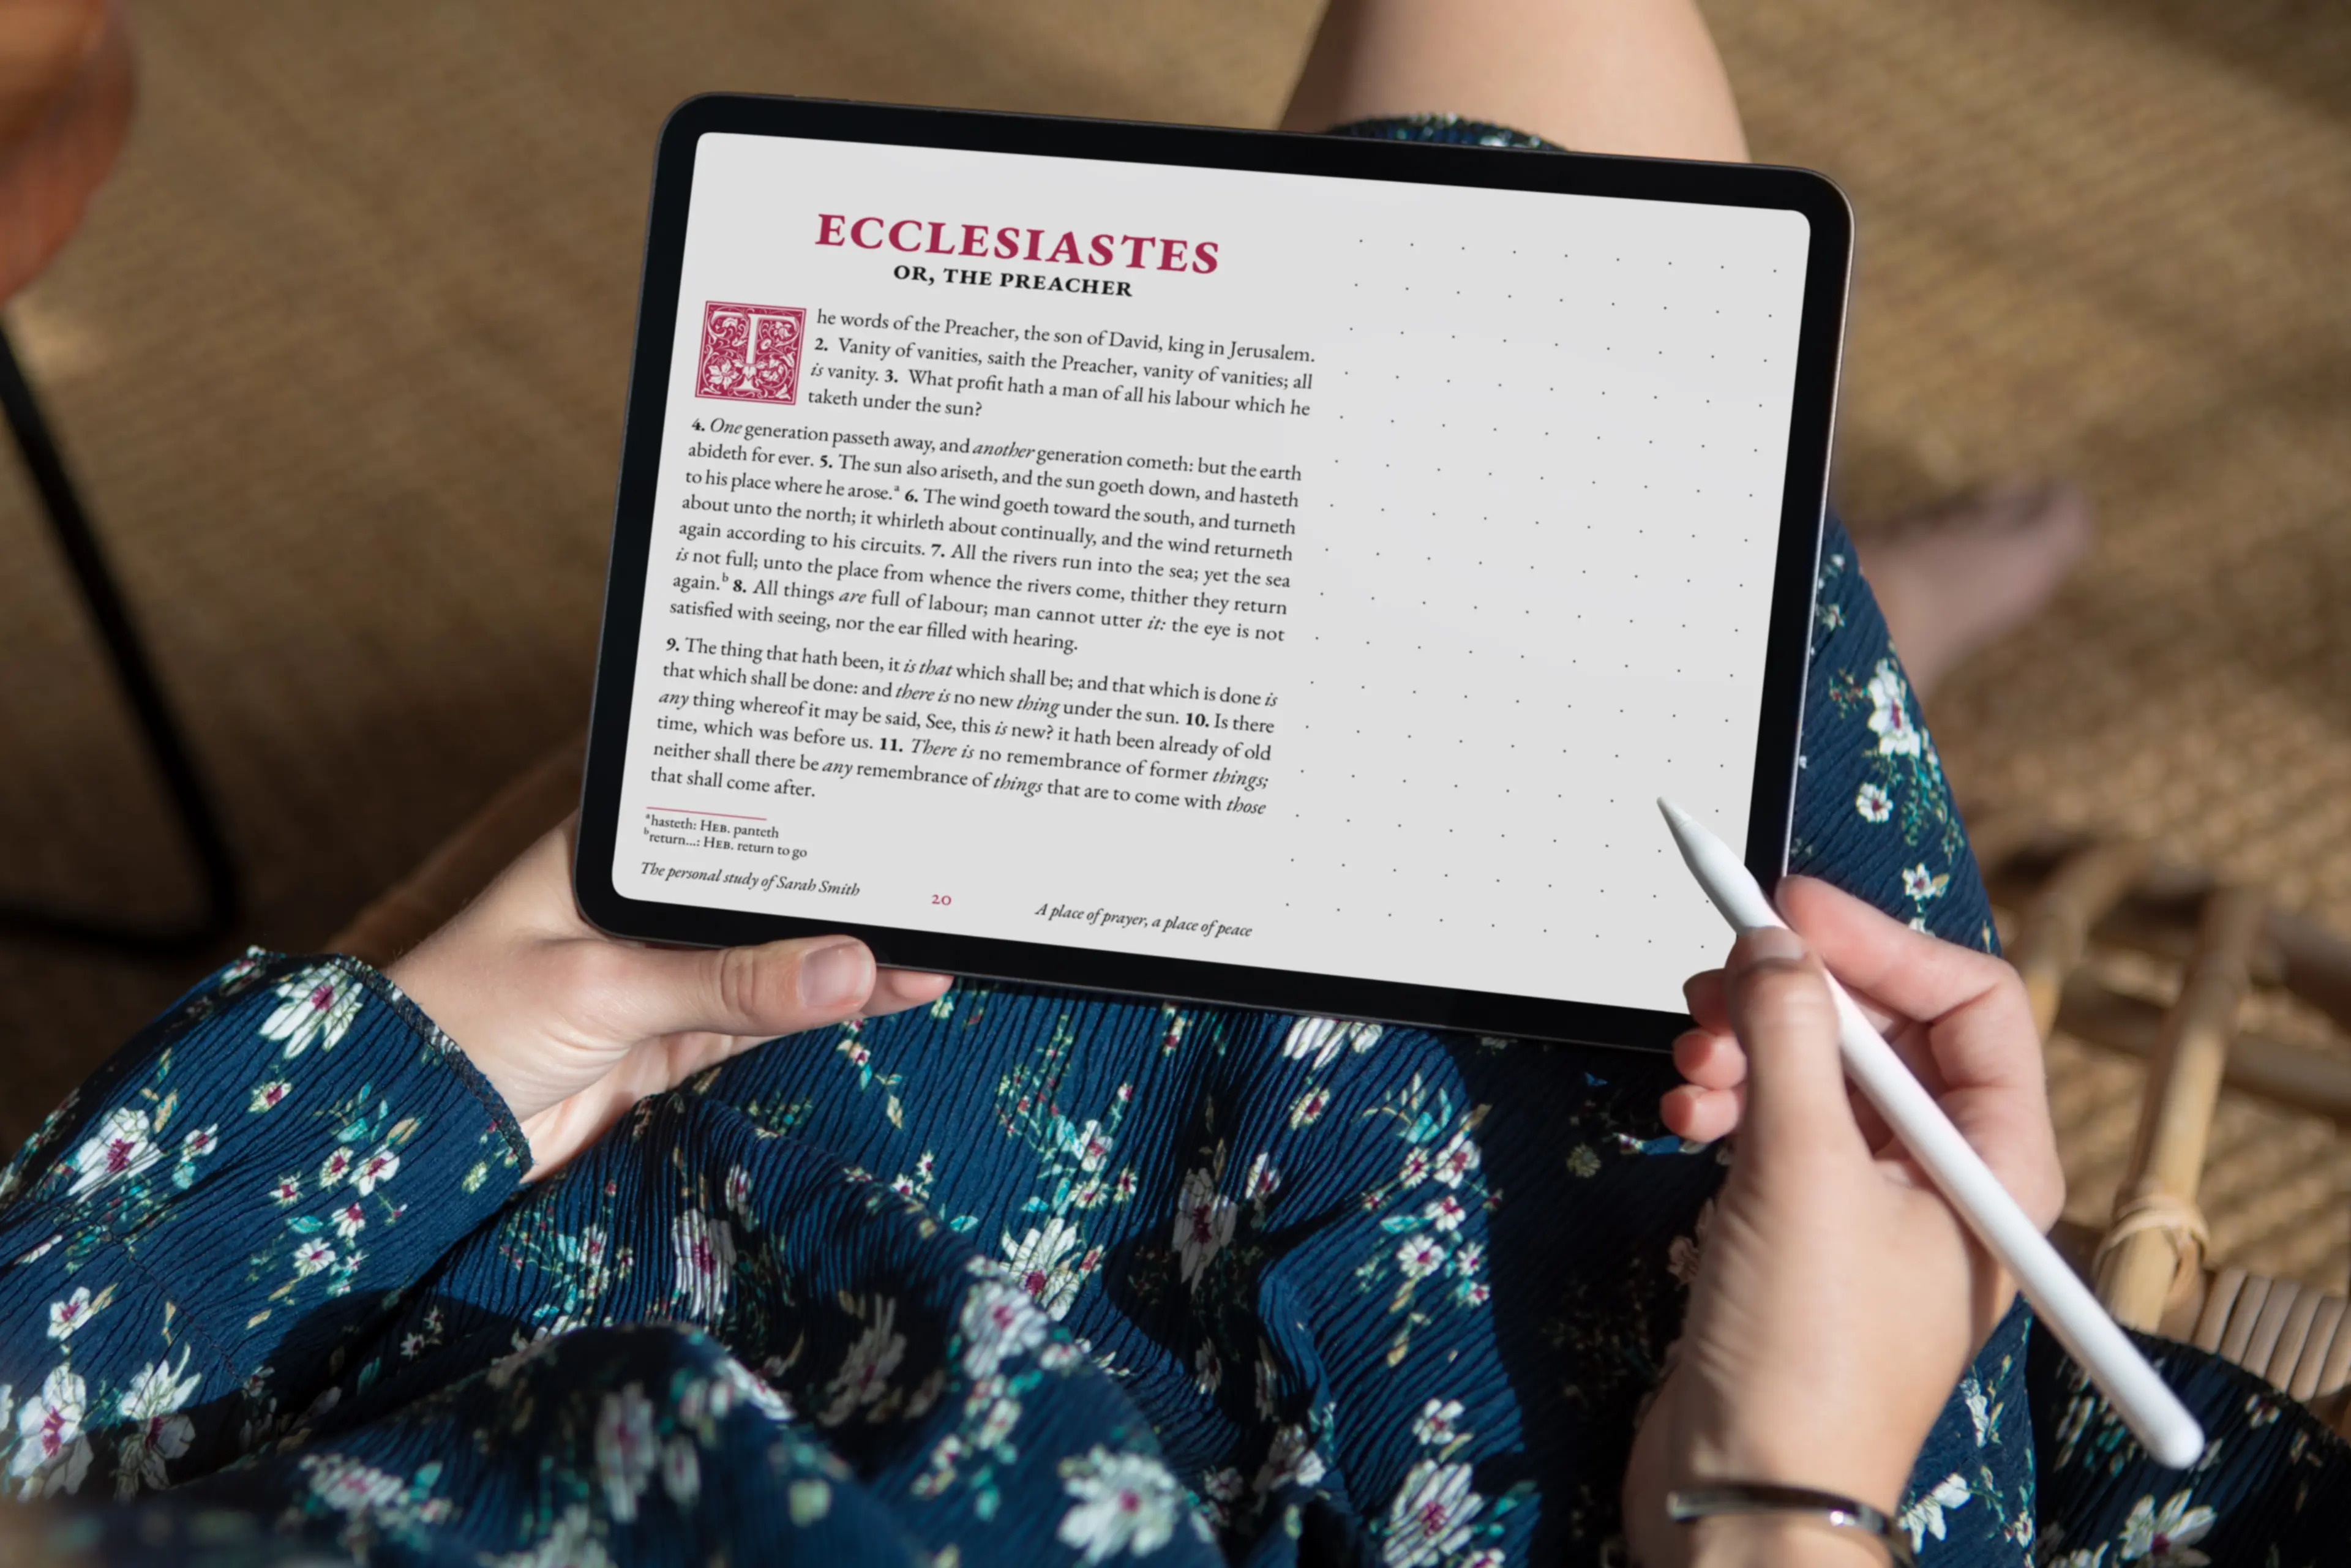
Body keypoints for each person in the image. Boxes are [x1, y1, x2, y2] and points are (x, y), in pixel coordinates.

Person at [4, 3, 2341, 1565]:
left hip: (703, 1283)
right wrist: (1784, 1495)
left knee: (1463, 343)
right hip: (1563, 1467)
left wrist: (445, 1069)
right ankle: (1795, 624)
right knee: (1540, 228)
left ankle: (1775, 625)